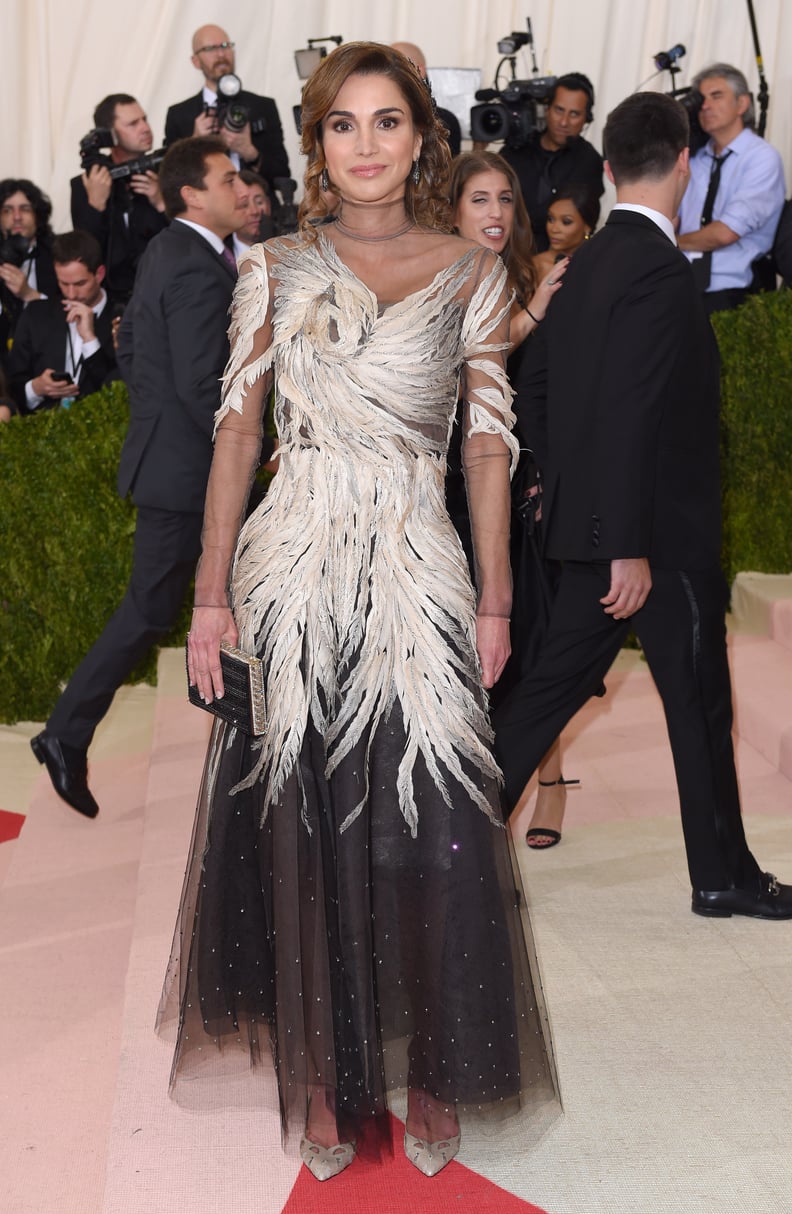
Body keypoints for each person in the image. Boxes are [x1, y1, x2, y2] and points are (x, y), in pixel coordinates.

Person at [160, 42, 559, 1184]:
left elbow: (487, 439)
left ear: (420, 137)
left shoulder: (472, 270)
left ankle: (435, 1062)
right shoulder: (276, 267)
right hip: (291, 565)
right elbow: (239, 426)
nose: (368, 143)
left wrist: (491, 592)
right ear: (319, 144)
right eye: (345, 124)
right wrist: (207, 590)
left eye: (389, 122)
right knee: (302, 816)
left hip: (418, 562)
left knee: (432, 820)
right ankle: (330, 1078)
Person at [493, 90, 792, 921]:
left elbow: (539, 385)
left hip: (592, 529)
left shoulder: (583, 263)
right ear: (687, 167)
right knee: (698, 707)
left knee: (544, 697)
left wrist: (562, 489)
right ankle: (723, 876)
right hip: (654, 544)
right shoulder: (660, 269)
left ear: (609, 168)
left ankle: (451, 848)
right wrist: (627, 542)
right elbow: (632, 411)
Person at [30, 137, 246, 819]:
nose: (240, 190)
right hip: (186, 471)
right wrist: (258, 441)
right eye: (228, 179)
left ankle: (254, 750)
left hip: (177, 465)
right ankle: (65, 735)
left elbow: (152, 357)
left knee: (225, 603)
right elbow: (198, 383)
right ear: (192, 194)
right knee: (151, 609)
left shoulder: (174, 251)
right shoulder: (193, 265)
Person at [448, 150, 574, 847]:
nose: (495, 213)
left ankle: (549, 782)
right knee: (467, 653)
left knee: (527, 646)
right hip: (444, 491)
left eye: (504, 200)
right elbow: (464, 365)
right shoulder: (435, 276)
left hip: (513, 489)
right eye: (479, 200)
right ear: (452, 208)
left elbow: (540, 392)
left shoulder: (528, 278)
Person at [677, 64, 785, 316]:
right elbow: (670, 217)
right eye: (701, 99)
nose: (704, 105)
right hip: (681, 285)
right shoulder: (694, 159)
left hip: (735, 292)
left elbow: (725, 233)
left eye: (716, 96)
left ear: (742, 103)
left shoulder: (762, 157)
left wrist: (673, 243)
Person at [165, 24, 290, 191]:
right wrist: (194, 142)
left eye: (225, 46)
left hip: (258, 210)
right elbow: (172, 184)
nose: (221, 54)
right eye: (210, 48)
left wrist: (250, 152)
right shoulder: (179, 115)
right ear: (195, 61)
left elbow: (282, 175)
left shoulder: (263, 106)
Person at [70, 94, 168, 306]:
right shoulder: (86, 183)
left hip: (166, 290)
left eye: (144, 119)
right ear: (110, 135)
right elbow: (84, 256)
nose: (145, 128)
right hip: (112, 301)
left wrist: (162, 203)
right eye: (133, 123)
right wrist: (95, 206)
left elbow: (192, 237)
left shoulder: (167, 172)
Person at [7, 230, 116, 414]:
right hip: (42, 431)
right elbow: (12, 385)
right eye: (64, 284)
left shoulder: (125, 316)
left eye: (80, 284)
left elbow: (120, 390)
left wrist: (90, 340)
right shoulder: (36, 315)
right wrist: (36, 389)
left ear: (99, 274)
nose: (71, 294)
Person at [501, 73, 604, 251]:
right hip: (508, 256)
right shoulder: (514, 152)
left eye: (574, 114)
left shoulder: (589, 161)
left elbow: (586, 223)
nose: (564, 122)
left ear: (586, 119)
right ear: (547, 109)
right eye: (559, 110)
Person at [0, 179, 59, 365]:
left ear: (38, 215)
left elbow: (66, 315)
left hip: (46, 356)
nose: (16, 217)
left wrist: (29, 294)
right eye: (7, 210)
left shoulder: (58, 253)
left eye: (24, 209)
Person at [391, 41, 462, 156]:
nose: (387, 73)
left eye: (396, 66)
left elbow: (451, 171)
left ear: (420, 70)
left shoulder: (446, 121)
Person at [532, 185, 600, 281]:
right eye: (550, 219)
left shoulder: (602, 264)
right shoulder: (536, 266)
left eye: (566, 222)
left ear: (587, 227)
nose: (554, 229)